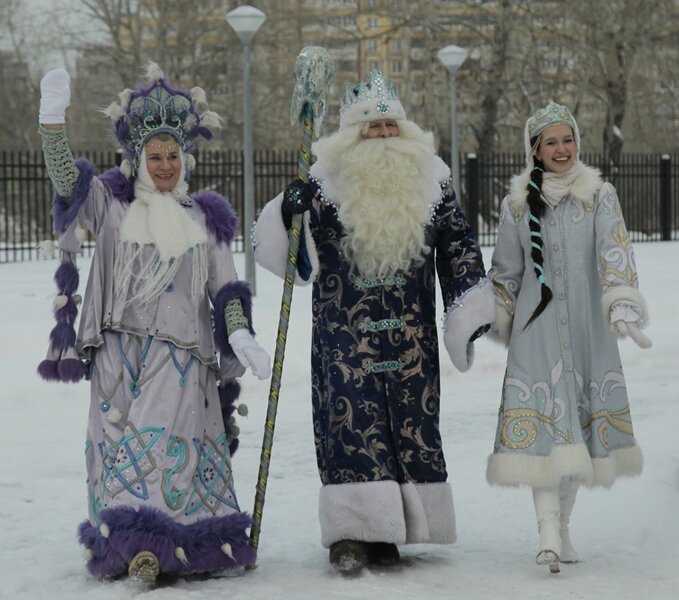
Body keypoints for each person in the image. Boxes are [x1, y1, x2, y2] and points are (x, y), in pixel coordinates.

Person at [37, 64, 271, 584]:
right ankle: (122, 547)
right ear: (138, 158)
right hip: (117, 353)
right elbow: (65, 181)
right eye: (155, 156)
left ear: (184, 158)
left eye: (172, 156)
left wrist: (240, 334)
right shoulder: (112, 204)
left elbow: (226, 287)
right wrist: (52, 125)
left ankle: (150, 548)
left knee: (157, 446)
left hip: (181, 357)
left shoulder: (203, 219)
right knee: (114, 445)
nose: (165, 165)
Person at [253, 69, 494, 572]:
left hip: (410, 336)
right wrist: (287, 212)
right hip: (345, 337)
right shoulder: (322, 181)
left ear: (404, 131)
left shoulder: (433, 180)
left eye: (389, 126)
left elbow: (458, 248)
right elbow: (285, 251)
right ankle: (351, 535)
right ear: (351, 134)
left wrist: (467, 309)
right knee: (350, 424)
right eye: (371, 127)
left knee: (409, 424)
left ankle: (396, 530)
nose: (382, 135)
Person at [485, 101, 652, 573]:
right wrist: (487, 314)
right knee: (544, 429)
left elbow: (613, 249)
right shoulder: (516, 204)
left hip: (586, 331)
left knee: (577, 427)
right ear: (535, 150)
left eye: (568, 139)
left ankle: (565, 527)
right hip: (535, 334)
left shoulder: (598, 196)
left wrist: (621, 302)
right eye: (551, 141)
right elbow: (506, 271)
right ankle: (547, 533)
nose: (562, 148)